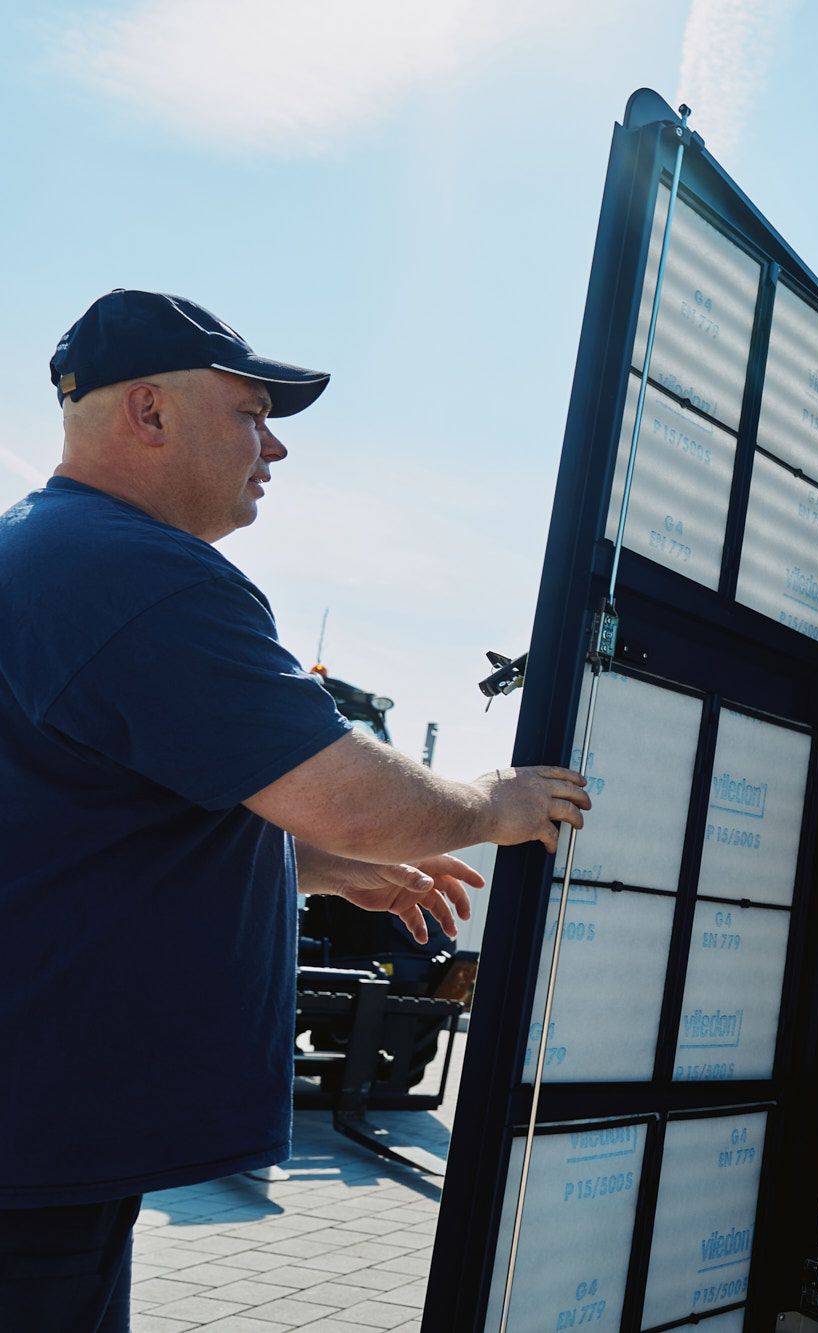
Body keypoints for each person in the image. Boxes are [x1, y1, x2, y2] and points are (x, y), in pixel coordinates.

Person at [0, 289, 590, 1331]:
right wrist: (497, 801)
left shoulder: (46, 551)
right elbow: (357, 798)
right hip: (39, 1147)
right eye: (250, 414)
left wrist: (305, 867)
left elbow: (90, 825)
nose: (274, 448)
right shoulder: (136, 571)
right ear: (149, 411)